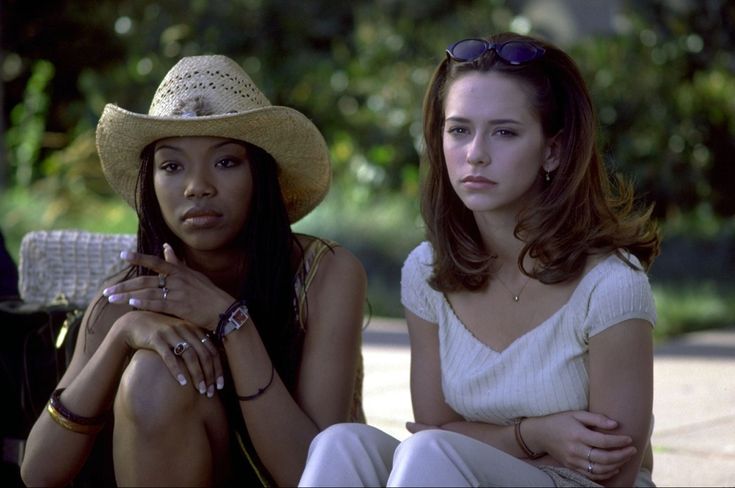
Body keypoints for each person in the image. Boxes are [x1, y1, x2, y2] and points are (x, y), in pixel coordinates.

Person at [299, 32, 660, 487]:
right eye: (459, 130)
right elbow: (434, 432)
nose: (476, 155)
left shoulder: (611, 284)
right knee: (341, 443)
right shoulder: (428, 273)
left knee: (432, 454)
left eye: (504, 132)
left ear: (553, 150)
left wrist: (474, 443)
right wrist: (534, 435)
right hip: (455, 473)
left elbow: (615, 471)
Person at [21, 55, 367, 487]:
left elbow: (310, 474)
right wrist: (123, 333)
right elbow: (36, 473)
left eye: (226, 162)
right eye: (172, 166)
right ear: (151, 183)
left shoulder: (325, 274)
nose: (197, 186)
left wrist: (232, 324)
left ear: (260, 174)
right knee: (152, 374)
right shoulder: (128, 296)